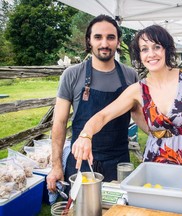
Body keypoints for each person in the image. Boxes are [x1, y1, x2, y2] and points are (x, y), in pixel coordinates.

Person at [71, 25, 182, 180]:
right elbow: (103, 116)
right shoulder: (138, 90)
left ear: (167, 49)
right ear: (139, 55)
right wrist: (85, 136)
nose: (151, 54)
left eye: (157, 47)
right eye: (144, 49)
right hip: (156, 162)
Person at [46, 15, 146, 192]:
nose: (105, 43)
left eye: (111, 37)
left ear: (118, 41)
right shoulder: (72, 75)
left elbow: (138, 115)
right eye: (98, 37)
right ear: (89, 41)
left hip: (119, 161)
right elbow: (59, 123)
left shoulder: (130, 76)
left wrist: (161, 135)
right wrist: (56, 166)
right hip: (81, 160)